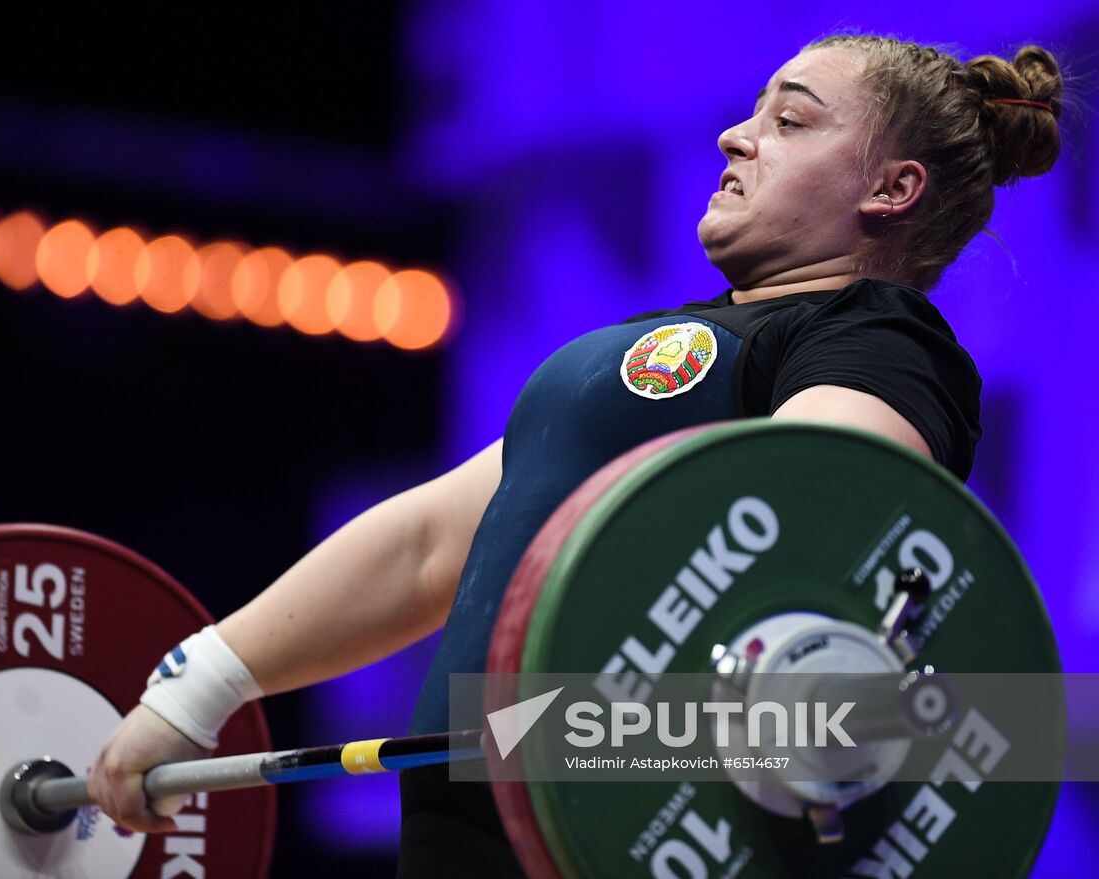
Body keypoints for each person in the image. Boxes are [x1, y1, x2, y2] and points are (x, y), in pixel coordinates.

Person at [88, 34, 1064, 876]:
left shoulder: (873, 335)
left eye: (791, 121)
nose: (734, 135)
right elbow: (431, 546)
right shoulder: (684, 342)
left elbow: (819, 521)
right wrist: (195, 688)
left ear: (891, 190)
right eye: (751, 111)